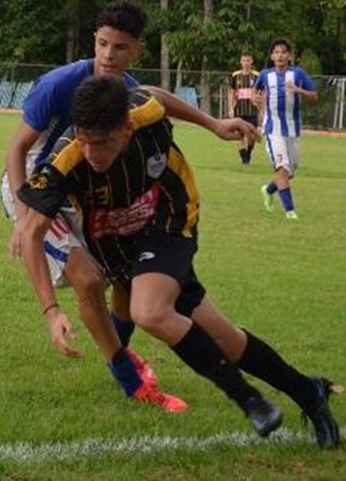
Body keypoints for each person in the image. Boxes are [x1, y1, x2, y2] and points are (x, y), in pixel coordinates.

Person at [18, 74, 341, 448]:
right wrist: (51, 310)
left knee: (149, 310)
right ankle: (309, 392)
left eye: (102, 143)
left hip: (170, 216)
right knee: (225, 338)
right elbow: (30, 233)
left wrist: (215, 124)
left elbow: (154, 95)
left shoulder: (142, 112)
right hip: (120, 246)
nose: (92, 153)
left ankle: (249, 400)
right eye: (85, 141)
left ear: (126, 128)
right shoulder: (65, 161)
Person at [3, 1, 189, 412]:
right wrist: (22, 214)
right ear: (94, 41)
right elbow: (17, 149)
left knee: (125, 276)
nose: (108, 55)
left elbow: (157, 100)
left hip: (82, 188)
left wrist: (213, 125)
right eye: (102, 44)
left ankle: (116, 350)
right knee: (88, 281)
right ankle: (128, 377)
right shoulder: (60, 83)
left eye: (119, 47)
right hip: (38, 185)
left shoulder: (128, 90)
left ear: (136, 50)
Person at [255, 38, 318, 220]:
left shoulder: (298, 73)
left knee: (290, 173)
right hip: (272, 130)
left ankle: (268, 189)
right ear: (272, 56)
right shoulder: (265, 75)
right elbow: (255, 91)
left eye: (283, 52)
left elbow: (314, 96)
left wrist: (299, 90)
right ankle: (290, 212)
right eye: (276, 52)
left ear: (289, 56)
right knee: (283, 170)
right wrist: (255, 99)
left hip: (293, 130)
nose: (280, 55)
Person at [229, 53, 260, 165]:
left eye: (248, 60)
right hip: (239, 110)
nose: (246, 63)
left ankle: (249, 153)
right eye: (244, 60)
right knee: (239, 135)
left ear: (251, 62)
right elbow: (232, 93)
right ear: (240, 62)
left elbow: (262, 92)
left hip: (252, 110)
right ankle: (244, 159)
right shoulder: (235, 76)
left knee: (252, 136)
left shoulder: (257, 76)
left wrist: (260, 106)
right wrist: (231, 108)